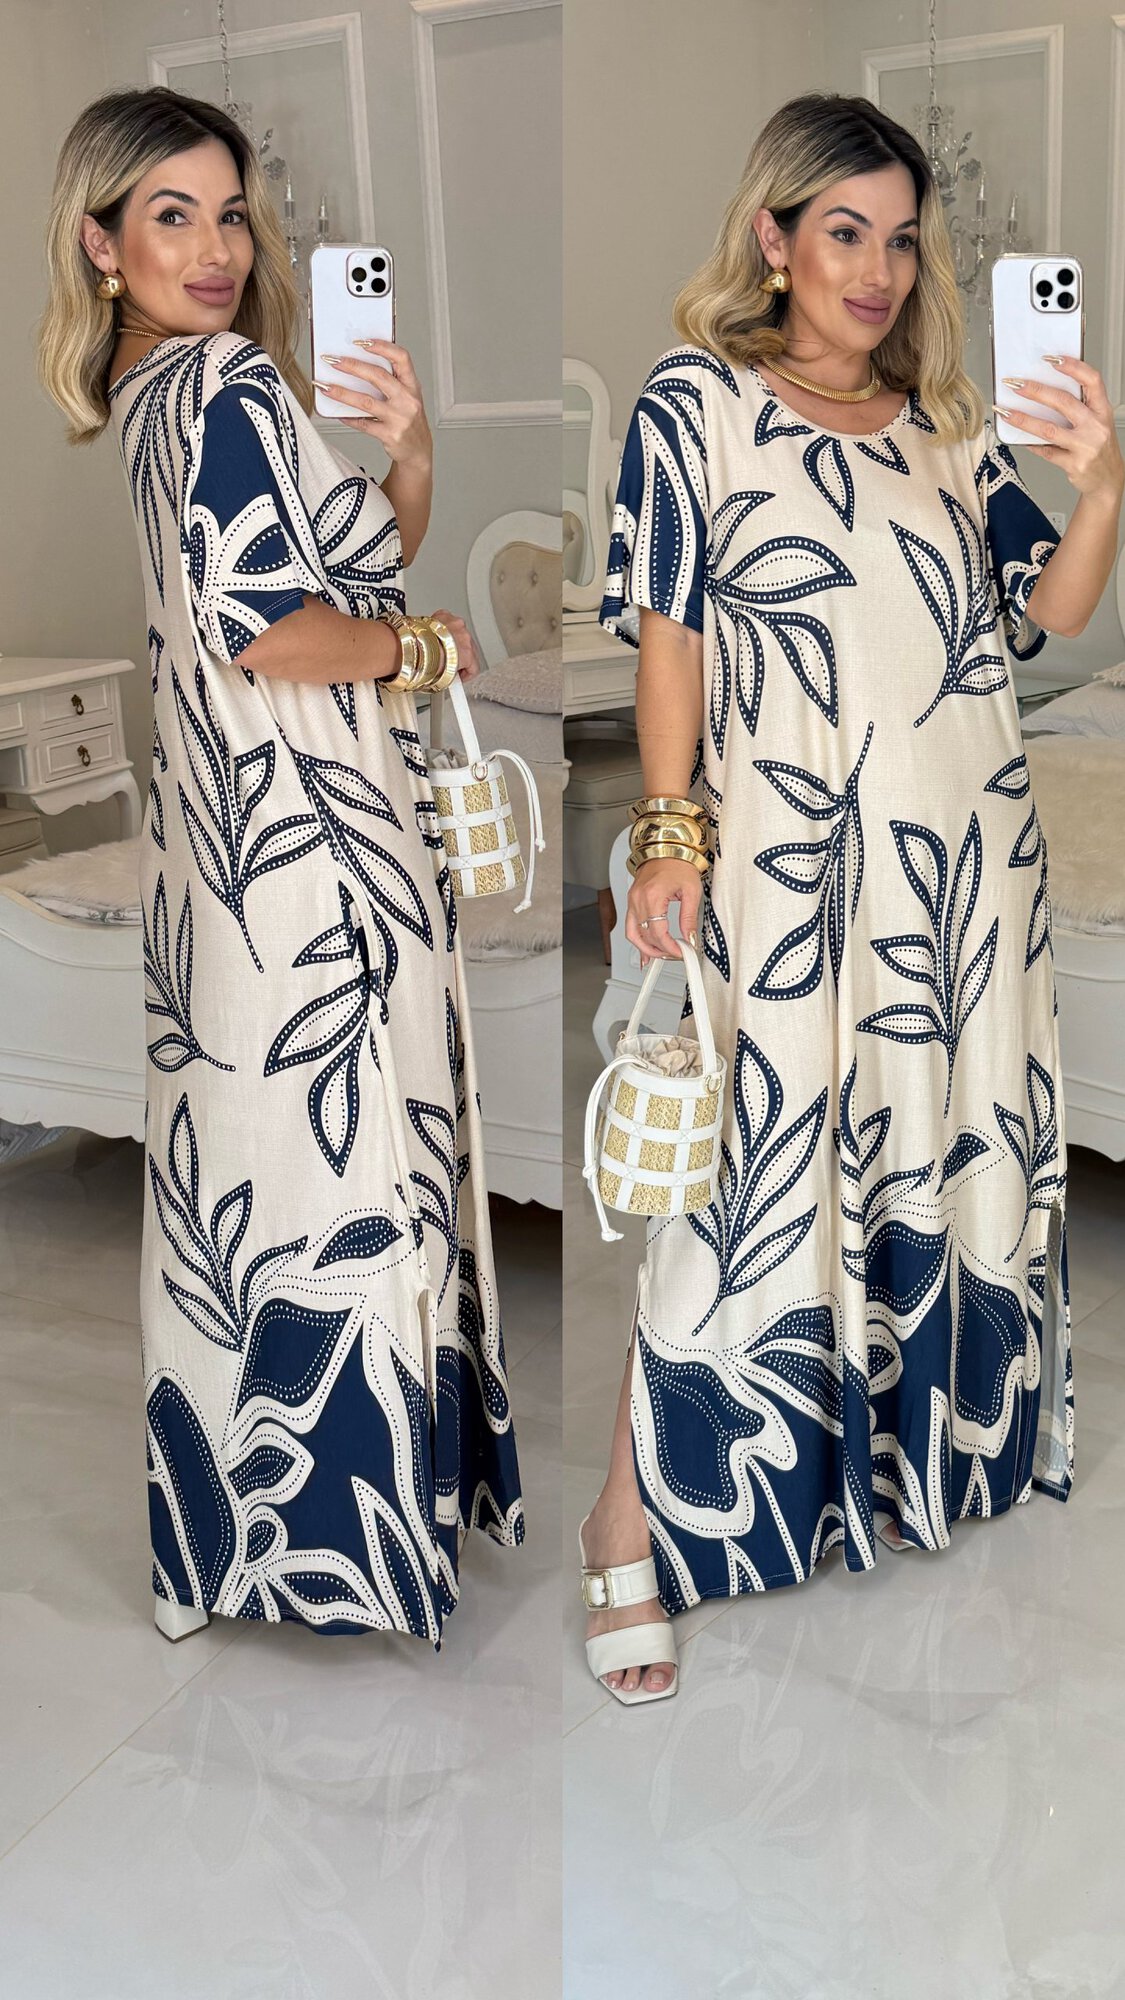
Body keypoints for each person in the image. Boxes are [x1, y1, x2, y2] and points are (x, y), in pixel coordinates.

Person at [584, 92, 1123, 1704]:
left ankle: (907, 1455)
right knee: (743, 1187)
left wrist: (1098, 486)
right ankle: (629, 1514)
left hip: (965, 871)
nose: (877, 271)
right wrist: (667, 832)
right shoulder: (694, 403)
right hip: (791, 867)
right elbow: (669, 632)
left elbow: (1048, 612)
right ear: (773, 235)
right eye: (842, 233)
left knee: (938, 1152)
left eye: (898, 240)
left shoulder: (944, 422)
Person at [37, 86, 523, 1643]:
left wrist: (408, 455)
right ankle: (360, 1539)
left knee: (242, 1182)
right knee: (355, 1172)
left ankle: (219, 1543)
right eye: (171, 215)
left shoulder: (149, 396)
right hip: (316, 838)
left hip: (221, 850)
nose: (217, 247)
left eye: (231, 214)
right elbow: (276, 629)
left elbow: (348, 558)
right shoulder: (227, 382)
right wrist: (424, 646)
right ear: (101, 243)